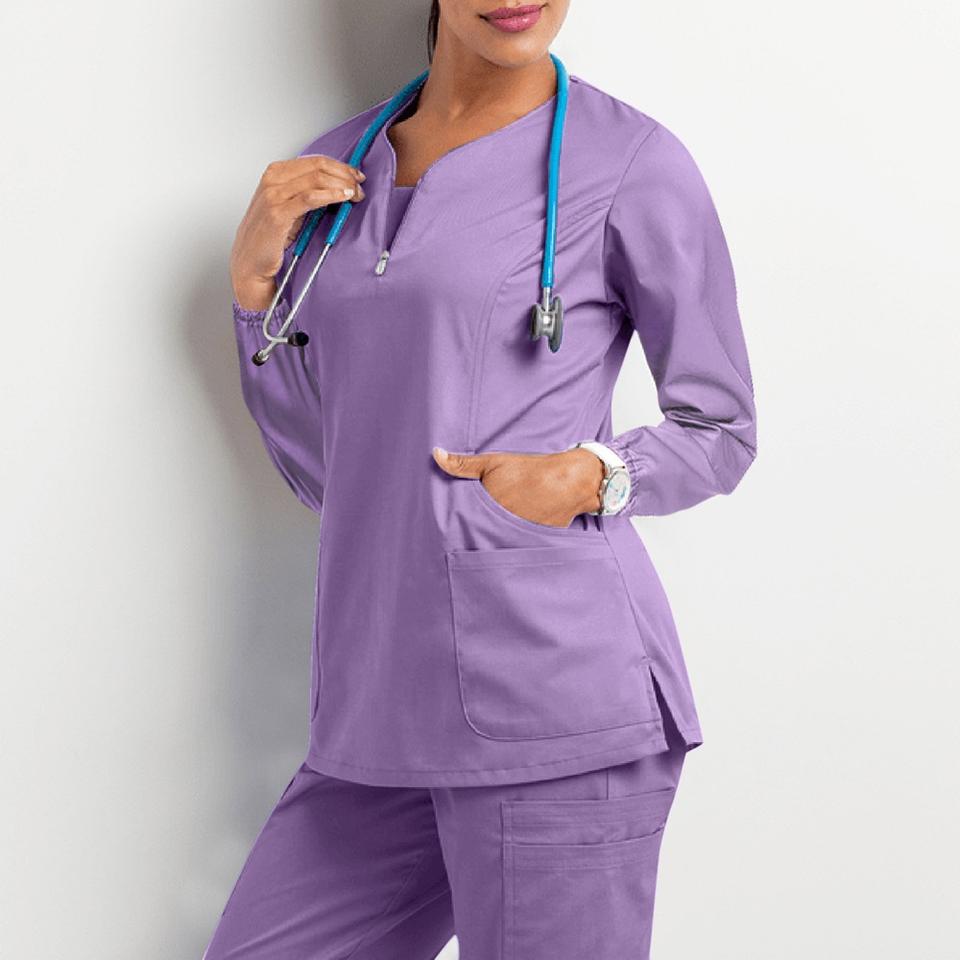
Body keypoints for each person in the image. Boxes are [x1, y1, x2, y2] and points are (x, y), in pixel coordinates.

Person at [204, 1, 757, 957]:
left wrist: (593, 475)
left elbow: (723, 427)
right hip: (377, 708)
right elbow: (330, 471)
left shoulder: (629, 164)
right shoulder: (330, 172)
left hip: (553, 703)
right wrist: (256, 296)